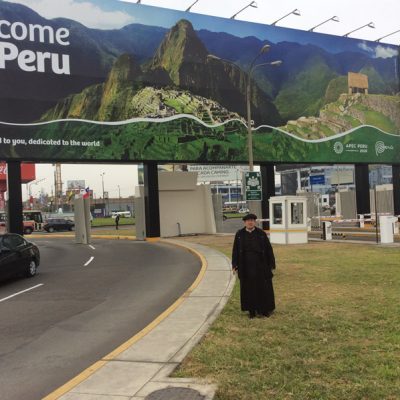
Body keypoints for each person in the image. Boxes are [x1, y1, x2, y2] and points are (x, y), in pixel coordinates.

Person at [232, 213, 276, 319]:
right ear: (245, 222)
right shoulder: (239, 234)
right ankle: (251, 311)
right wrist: (234, 264)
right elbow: (235, 250)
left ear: (255, 222)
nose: (250, 222)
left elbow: (269, 249)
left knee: (264, 288)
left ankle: (264, 310)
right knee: (248, 288)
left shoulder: (261, 233)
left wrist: (271, 264)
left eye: (252, 220)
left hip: (261, 266)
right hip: (246, 266)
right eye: (248, 220)